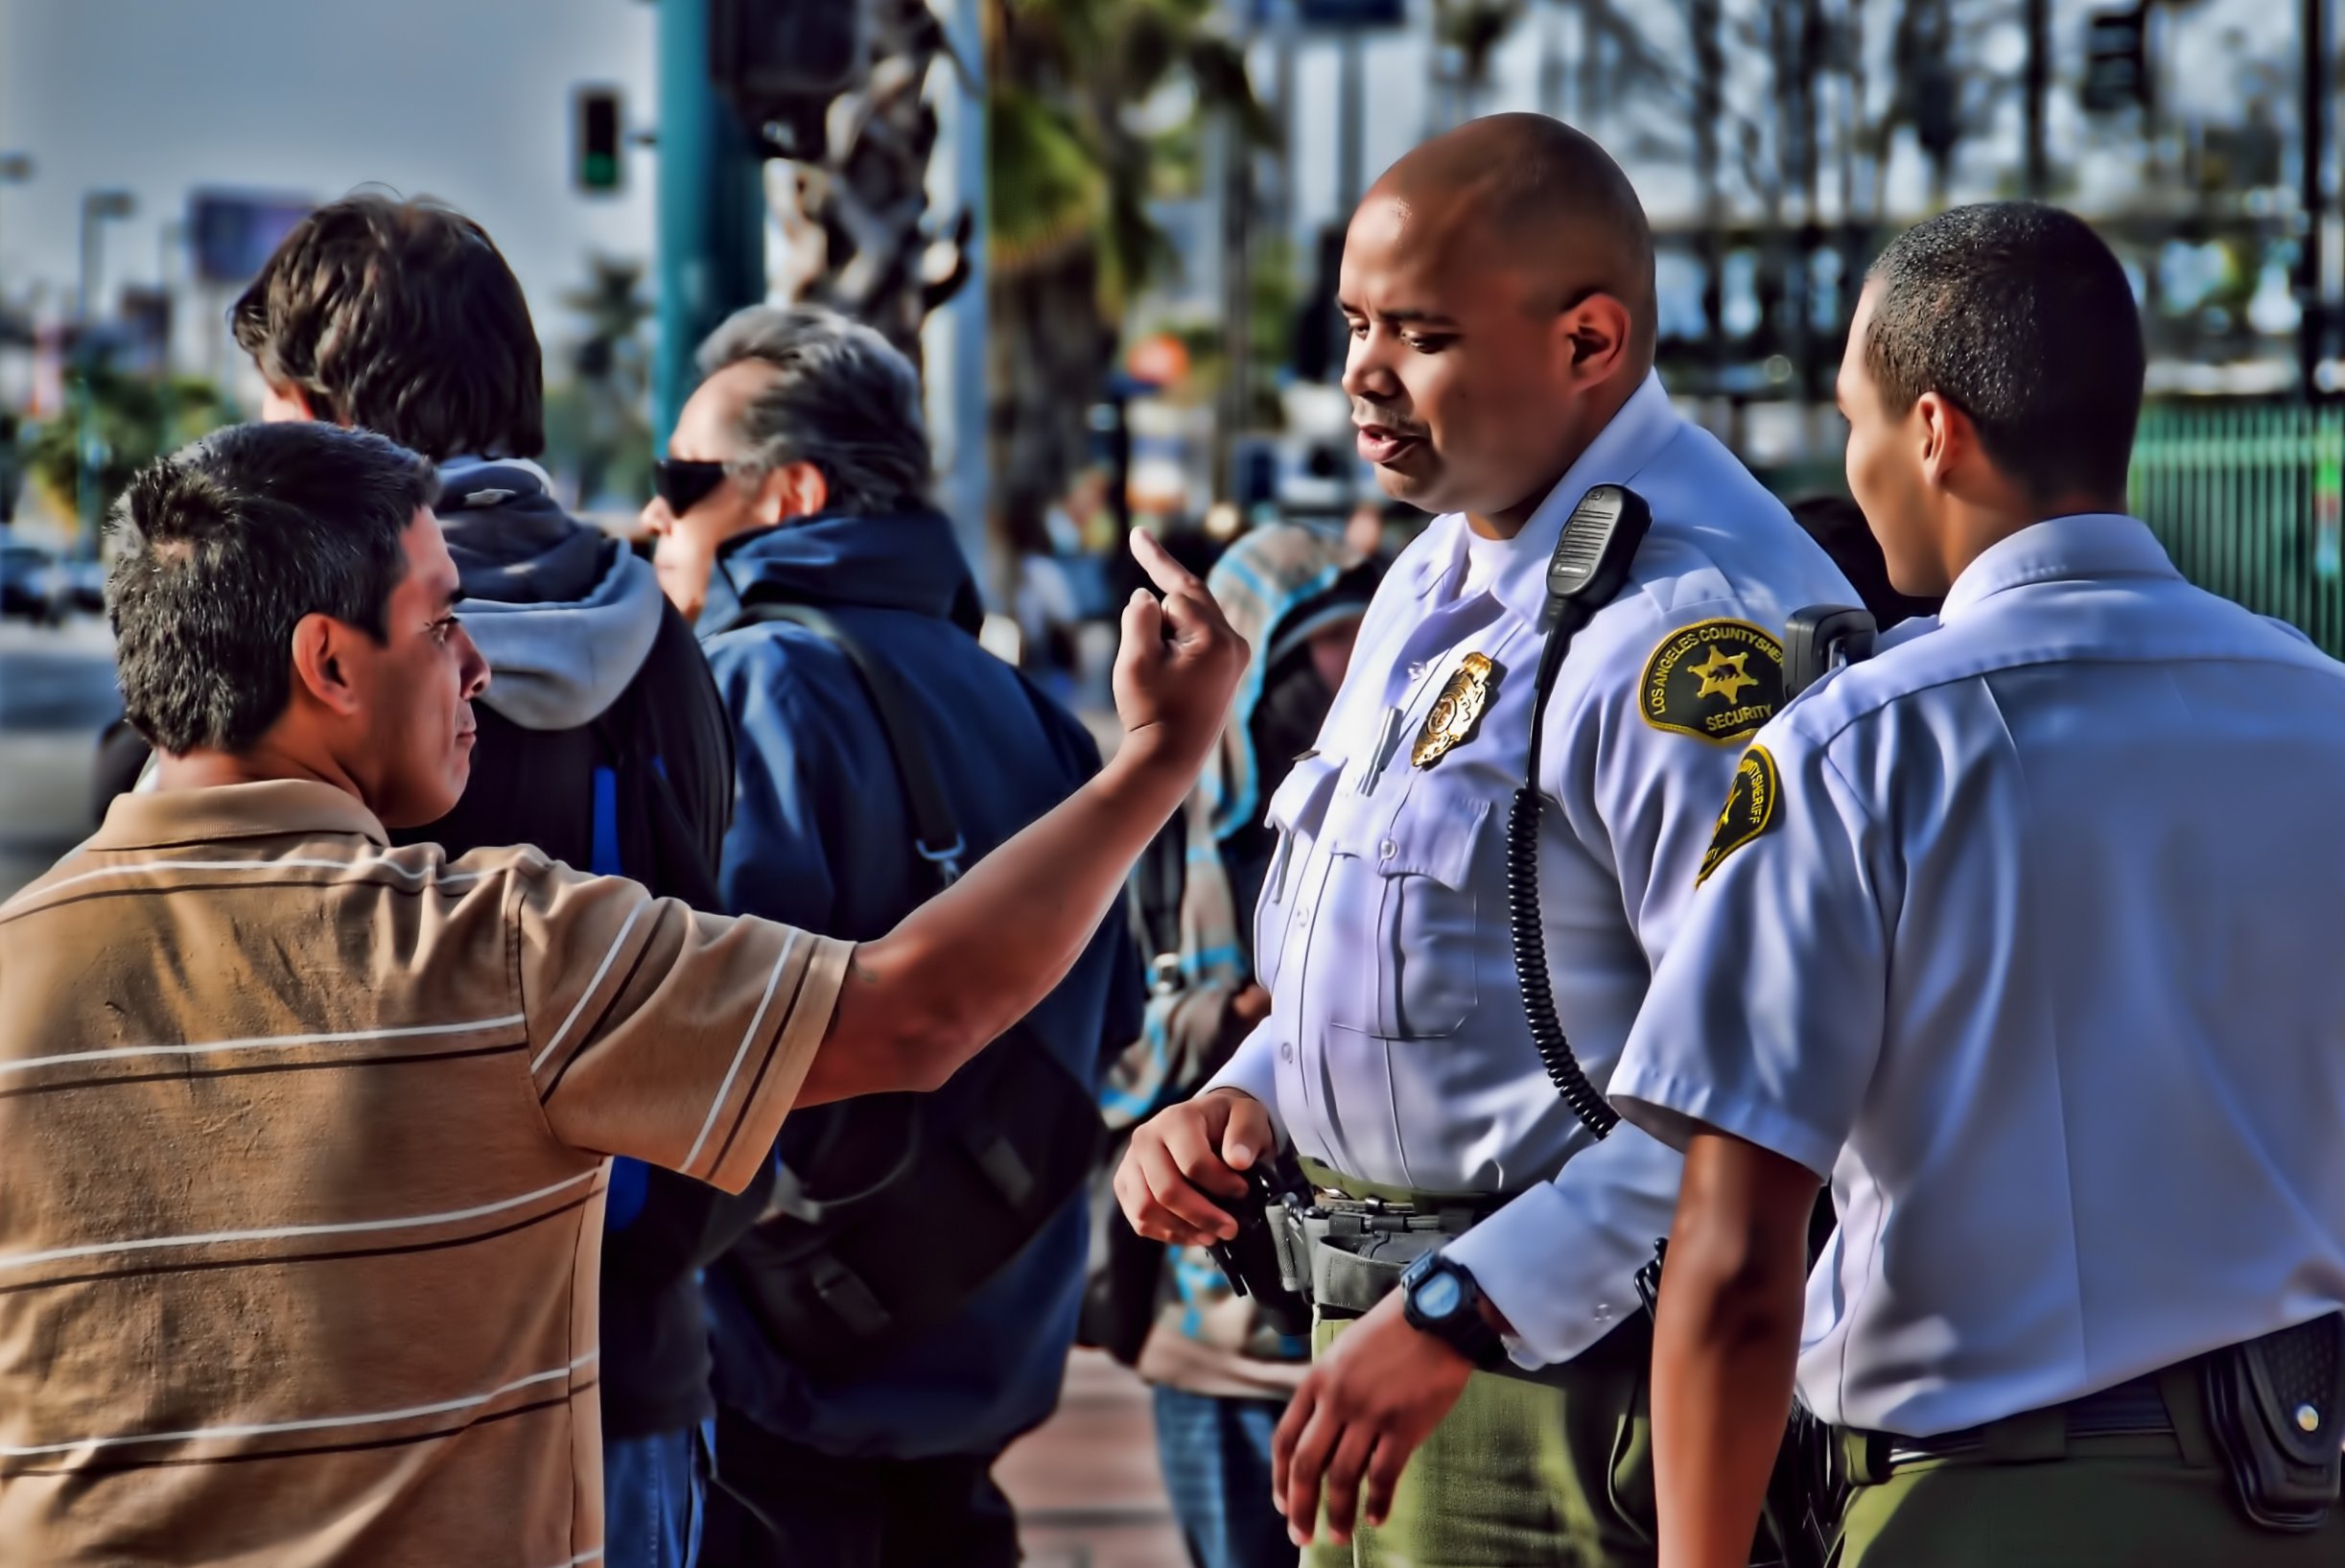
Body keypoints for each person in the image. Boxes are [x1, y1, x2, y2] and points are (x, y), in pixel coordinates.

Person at [0, 419, 1242, 1567]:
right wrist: (1161, 756)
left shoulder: (18, 965)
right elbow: (918, 1010)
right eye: (440, 622)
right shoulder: (497, 950)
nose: (478, 664)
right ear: (327, 658)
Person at [1114, 113, 1853, 1564]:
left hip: (1565, 1389)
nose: (1360, 378)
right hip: (1390, 1350)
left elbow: (1759, 1109)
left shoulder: (1688, 627)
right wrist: (1246, 1095)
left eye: (1423, 335)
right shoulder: (1441, 568)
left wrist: (1467, 1306)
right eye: (1353, 326)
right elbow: (1407, 957)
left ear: (1589, 341)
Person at [1611, 202, 2345, 1567]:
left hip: (1985, 1505)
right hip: (2299, 1496)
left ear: (1935, 431)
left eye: (1855, 417)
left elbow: (1733, 1252)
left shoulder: (1851, 749)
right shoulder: (2322, 711)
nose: (1856, 457)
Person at [221, 193, 739, 1567]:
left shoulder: (287, 652)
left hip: (354, 1396)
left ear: (322, 410)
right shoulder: (662, 642)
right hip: (623, 1363)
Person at [636, 302, 1141, 1568]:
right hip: (977, 1387)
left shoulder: (746, 685)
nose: (654, 517)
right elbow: (1118, 1012)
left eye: (684, 481)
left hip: (774, 1404)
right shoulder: (1036, 716)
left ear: (790, 492)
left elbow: (704, 1041)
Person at [1097, 521, 1381, 1568]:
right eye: (1316, 643)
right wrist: (1224, 1018)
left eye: (1359, 635)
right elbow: (1095, 1042)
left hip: (1379, 1319)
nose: (1342, 668)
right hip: (1217, 1331)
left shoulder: (1393, 795)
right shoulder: (1151, 823)